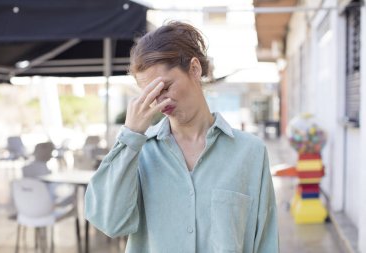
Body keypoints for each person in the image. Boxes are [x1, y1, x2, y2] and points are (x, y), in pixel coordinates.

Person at [85, 21, 279, 253]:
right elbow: (109, 223)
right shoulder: (139, 153)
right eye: (150, 94)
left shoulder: (250, 152)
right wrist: (130, 136)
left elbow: (265, 242)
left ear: (194, 69)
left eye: (164, 88)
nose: (160, 102)